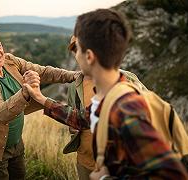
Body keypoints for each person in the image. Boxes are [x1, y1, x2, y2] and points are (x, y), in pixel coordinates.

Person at [23, 9, 188, 179]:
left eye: (78, 49)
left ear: (89, 56)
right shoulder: (105, 98)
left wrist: (104, 178)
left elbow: (170, 174)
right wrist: (39, 98)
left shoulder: (127, 107)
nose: (75, 55)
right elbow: (81, 119)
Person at [0, 23, 78, 180]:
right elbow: (1, 113)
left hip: (17, 144)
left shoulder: (10, 61)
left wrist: (73, 75)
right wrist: (26, 90)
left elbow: (43, 71)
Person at [63, 36, 147, 180]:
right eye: (75, 49)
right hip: (85, 161)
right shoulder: (74, 86)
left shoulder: (126, 78)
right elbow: (74, 117)